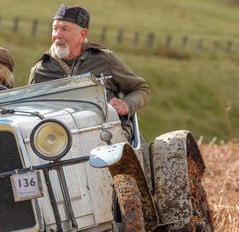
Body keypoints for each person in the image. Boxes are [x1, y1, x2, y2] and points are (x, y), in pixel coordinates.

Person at [28, 4, 150, 139]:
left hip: (108, 135)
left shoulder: (104, 59)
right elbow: (28, 113)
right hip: (60, 142)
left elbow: (141, 88)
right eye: (55, 28)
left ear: (82, 34)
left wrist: (127, 104)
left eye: (64, 29)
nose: (57, 35)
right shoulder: (40, 70)